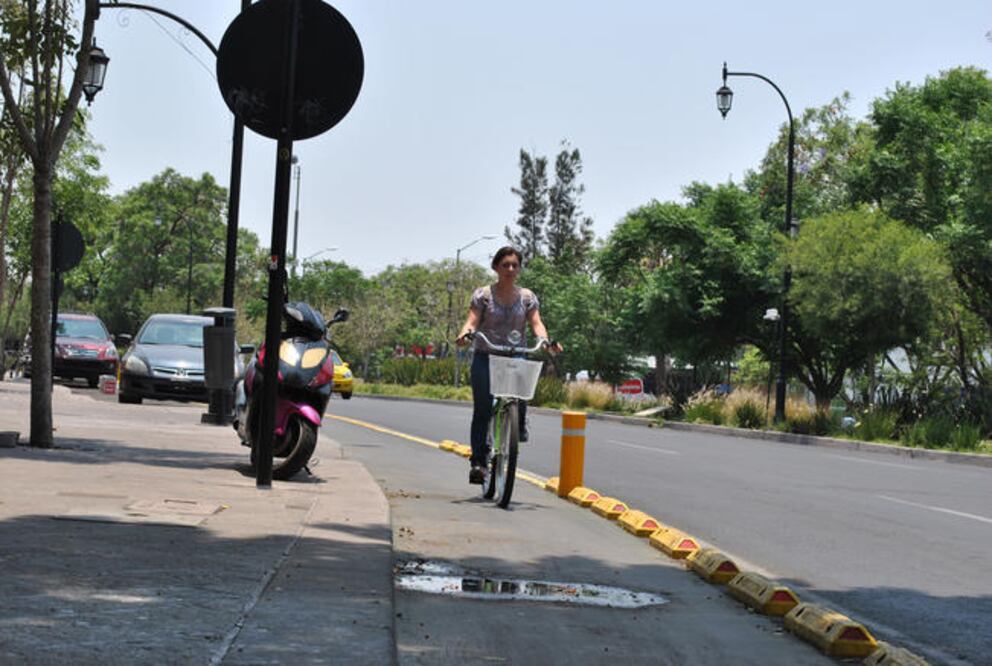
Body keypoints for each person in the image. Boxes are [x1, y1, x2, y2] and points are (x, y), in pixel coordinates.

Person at [455, 246, 561, 485]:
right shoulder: (483, 295)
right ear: (496, 268)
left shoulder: (526, 297)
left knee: (521, 393)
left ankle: (519, 422)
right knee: (482, 410)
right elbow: (471, 322)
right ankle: (479, 463)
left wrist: (545, 342)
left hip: (515, 355)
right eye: (505, 265)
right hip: (486, 356)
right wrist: (465, 336)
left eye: (515, 265)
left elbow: (536, 324)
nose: (510, 269)